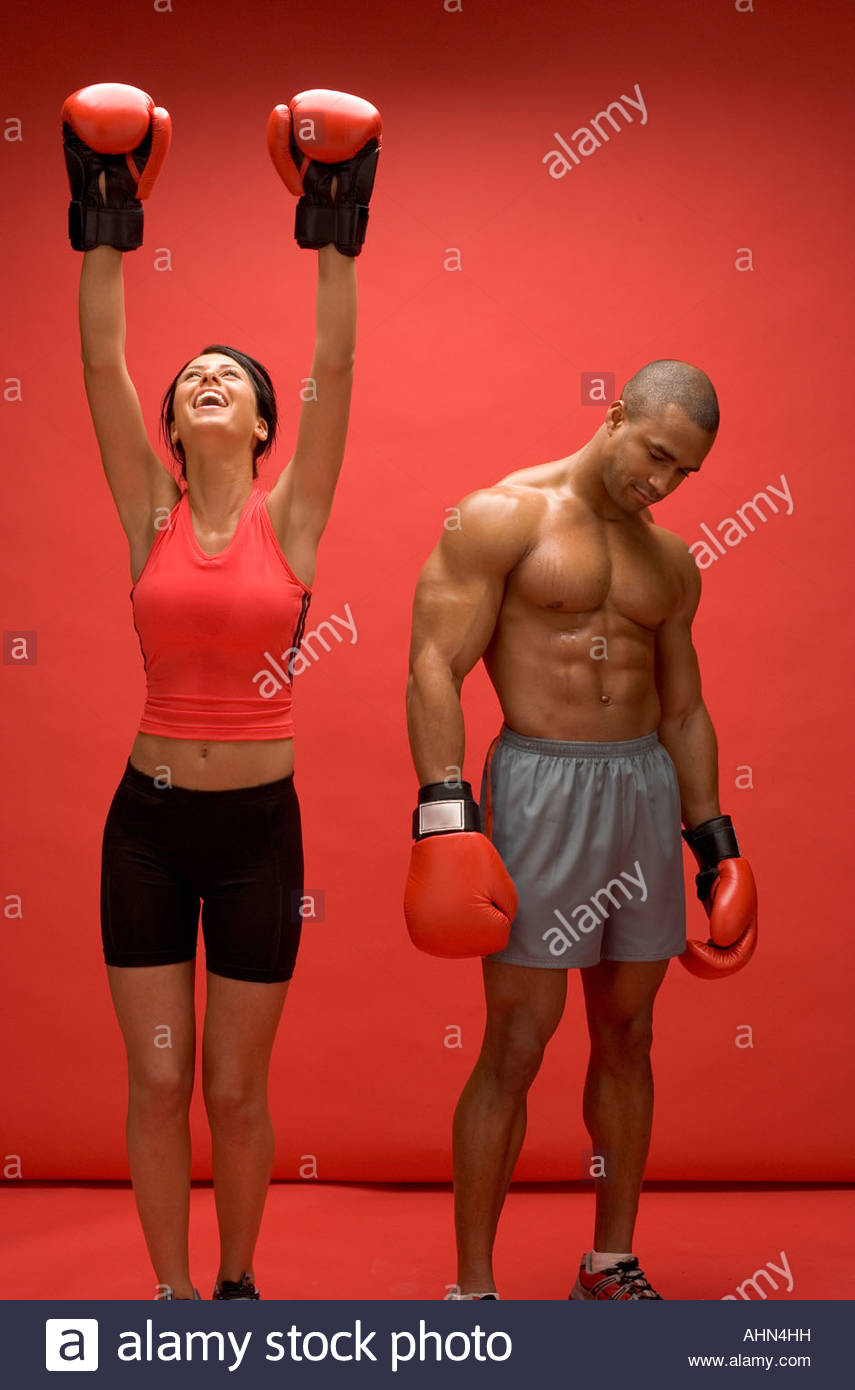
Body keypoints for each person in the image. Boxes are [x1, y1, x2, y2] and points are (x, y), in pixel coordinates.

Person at [63, 81, 381, 1300]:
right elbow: (99, 355)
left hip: (259, 834)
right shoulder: (146, 508)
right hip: (143, 828)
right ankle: (169, 1298)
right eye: (189, 373)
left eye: (226, 377)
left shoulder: (290, 518)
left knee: (236, 1088)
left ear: (259, 424)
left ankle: (238, 1286)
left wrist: (333, 220)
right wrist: (105, 216)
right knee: (156, 1080)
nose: (203, 380)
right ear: (176, 417)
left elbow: (335, 363)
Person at [404, 359, 757, 1300]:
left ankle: (610, 1262)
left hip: (639, 787)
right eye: (655, 454)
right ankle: (471, 1290)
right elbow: (434, 664)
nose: (663, 481)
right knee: (518, 1042)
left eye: (684, 472)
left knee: (630, 1033)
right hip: (539, 789)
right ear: (615, 416)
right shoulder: (501, 516)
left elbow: (683, 710)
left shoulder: (670, 560)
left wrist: (714, 842)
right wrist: (445, 819)